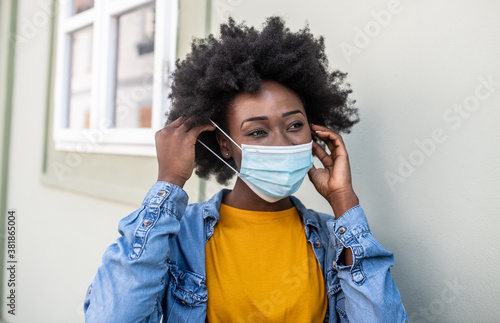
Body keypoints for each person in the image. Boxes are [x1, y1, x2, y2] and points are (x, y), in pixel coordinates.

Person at [84, 16, 409, 322]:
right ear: (225, 144)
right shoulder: (179, 235)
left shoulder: (334, 239)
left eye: (295, 124)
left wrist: (343, 201)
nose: (282, 142)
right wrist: (169, 181)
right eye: (257, 131)